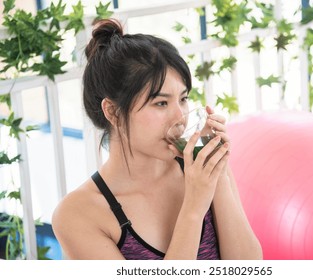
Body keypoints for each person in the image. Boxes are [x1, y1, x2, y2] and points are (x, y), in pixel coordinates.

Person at [52, 18, 262, 260]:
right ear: (112, 112)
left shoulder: (198, 168)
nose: (180, 117)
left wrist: (219, 176)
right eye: (161, 103)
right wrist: (194, 208)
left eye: (182, 99)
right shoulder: (77, 215)